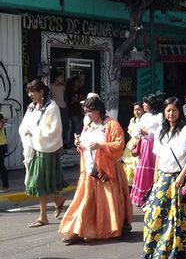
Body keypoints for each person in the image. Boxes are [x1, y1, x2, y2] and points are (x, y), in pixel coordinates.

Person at [59, 97, 133, 244]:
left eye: (90, 112)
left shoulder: (112, 125)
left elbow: (119, 145)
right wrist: (79, 143)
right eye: (86, 113)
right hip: (89, 169)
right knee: (84, 202)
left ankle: (110, 228)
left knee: (107, 203)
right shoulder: (89, 125)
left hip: (107, 171)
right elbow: (85, 145)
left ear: (98, 110)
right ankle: (77, 231)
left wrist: (101, 145)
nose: (88, 115)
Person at [142, 97, 186, 259]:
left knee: (179, 216)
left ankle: (179, 249)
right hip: (163, 177)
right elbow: (158, 157)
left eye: (174, 110)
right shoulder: (161, 131)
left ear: (180, 112)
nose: (171, 113)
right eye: (168, 110)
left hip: (180, 177)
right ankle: (155, 248)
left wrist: (182, 176)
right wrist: (156, 178)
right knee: (154, 213)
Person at [18, 79, 68, 227]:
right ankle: (57, 200)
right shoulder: (31, 107)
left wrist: (33, 132)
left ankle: (43, 216)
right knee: (40, 183)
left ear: (41, 92)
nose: (30, 94)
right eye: (29, 92)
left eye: (33, 91)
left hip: (46, 148)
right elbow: (24, 125)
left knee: (39, 183)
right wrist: (27, 133)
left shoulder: (51, 107)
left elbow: (54, 130)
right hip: (33, 148)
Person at [130, 94, 163, 206]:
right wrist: (140, 132)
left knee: (151, 168)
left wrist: (148, 132)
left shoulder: (159, 116)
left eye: (145, 103)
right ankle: (141, 196)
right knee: (142, 168)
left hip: (153, 144)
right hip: (144, 144)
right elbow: (137, 129)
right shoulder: (145, 116)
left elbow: (161, 131)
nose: (143, 105)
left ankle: (151, 194)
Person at [122, 101, 144, 186]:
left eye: (139, 109)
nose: (137, 112)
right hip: (131, 144)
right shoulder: (132, 120)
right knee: (128, 166)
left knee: (137, 165)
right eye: (135, 110)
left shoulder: (145, 121)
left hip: (141, 144)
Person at [49, 71, 70, 147]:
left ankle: (63, 142)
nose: (62, 79)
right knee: (57, 125)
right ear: (56, 78)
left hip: (63, 107)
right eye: (61, 77)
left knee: (65, 125)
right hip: (56, 108)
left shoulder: (63, 87)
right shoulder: (51, 86)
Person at [65, 75, 86, 146]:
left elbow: (84, 98)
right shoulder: (70, 91)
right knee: (75, 127)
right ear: (73, 83)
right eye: (77, 81)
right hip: (73, 111)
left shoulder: (81, 90)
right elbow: (73, 100)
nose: (79, 83)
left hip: (81, 111)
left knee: (80, 126)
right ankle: (73, 143)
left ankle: (78, 141)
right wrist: (79, 100)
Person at [0, 109, 9, 192]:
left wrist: (3, 122)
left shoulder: (0, 116)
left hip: (1, 144)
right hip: (2, 144)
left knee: (1, 165)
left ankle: (5, 186)